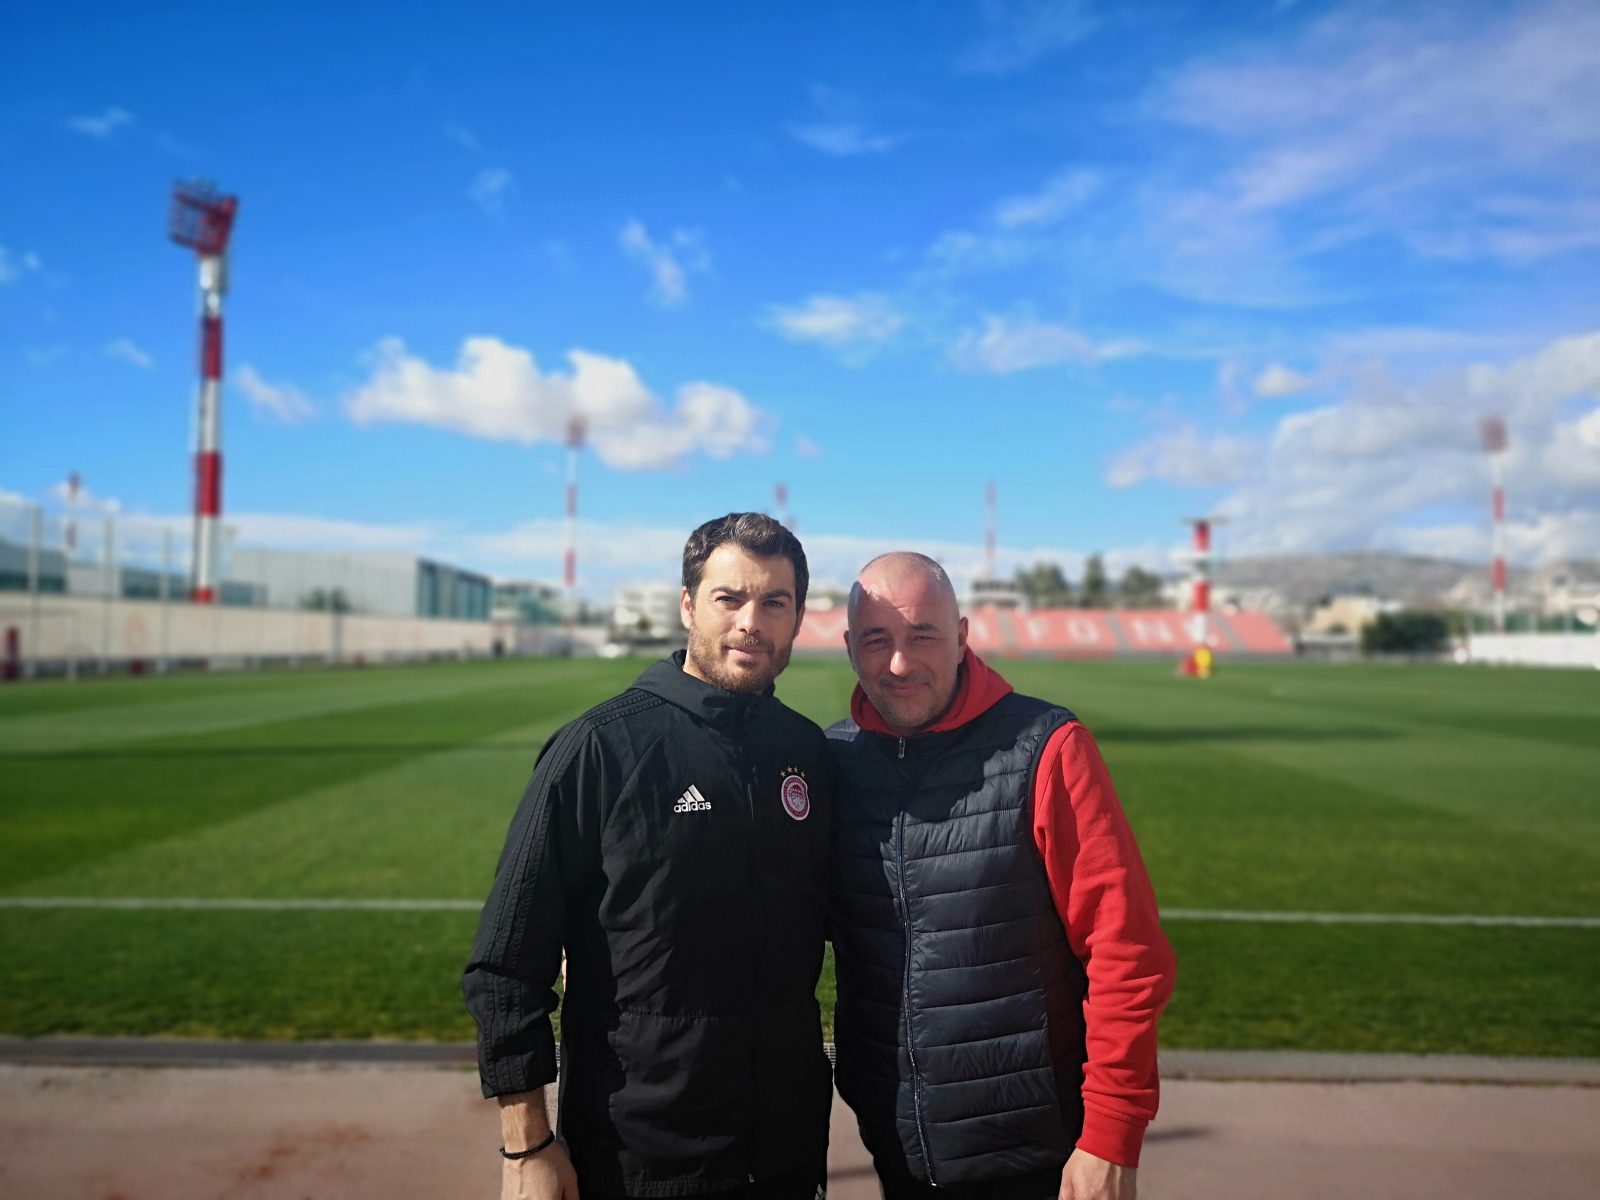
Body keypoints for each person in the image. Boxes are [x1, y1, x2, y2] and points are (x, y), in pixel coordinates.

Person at [464, 512, 834, 1200]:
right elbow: (506, 965)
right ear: (688, 605)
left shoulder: (807, 752)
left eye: (774, 603)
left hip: (788, 1150)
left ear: (797, 618)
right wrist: (527, 1147)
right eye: (729, 598)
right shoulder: (600, 749)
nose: (751, 622)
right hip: (638, 1160)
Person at [827, 553, 1175, 1200]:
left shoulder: (1047, 747)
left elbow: (1125, 950)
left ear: (962, 636)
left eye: (923, 635)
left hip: (1034, 1150)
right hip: (895, 1139)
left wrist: (1110, 1136)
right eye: (877, 640)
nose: (899, 664)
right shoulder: (833, 760)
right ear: (850, 647)